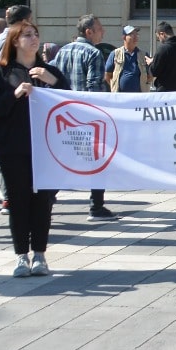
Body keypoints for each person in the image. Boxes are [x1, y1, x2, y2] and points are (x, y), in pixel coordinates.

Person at [0, 22, 69, 277]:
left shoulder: (50, 71)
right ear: (15, 41)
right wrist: (15, 94)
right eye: (27, 35)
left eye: (36, 35)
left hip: (46, 148)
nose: (34, 39)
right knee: (18, 200)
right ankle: (21, 255)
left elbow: (71, 101)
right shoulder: (1, 73)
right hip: (13, 147)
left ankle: (40, 254)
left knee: (43, 201)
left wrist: (50, 80)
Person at [57, 14, 115, 220]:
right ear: (89, 31)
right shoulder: (94, 53)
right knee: (97, 161)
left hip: (65, 116)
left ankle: (46, 196)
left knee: (64, 160)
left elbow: (53, 79)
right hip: (87, 118)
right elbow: (94, 86)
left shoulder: (63, 51)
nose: (103, 32)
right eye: (100, 28)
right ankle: (96, 206)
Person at [148, 21, 176, 91]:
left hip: (166, 93)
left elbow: (154, 72)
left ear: (162, 34)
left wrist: (151, 62)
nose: (159, 41)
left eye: (158, 38)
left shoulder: (163, 49)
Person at [105, 24, 151, 93]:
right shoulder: (115, 54)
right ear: (124, 37)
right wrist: (114, 86)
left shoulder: (143, 55)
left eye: (137, 35)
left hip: (139, 97)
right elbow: (107, 76)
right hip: (120, 96)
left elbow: (150, 76)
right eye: (132, 35)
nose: (135, 38)